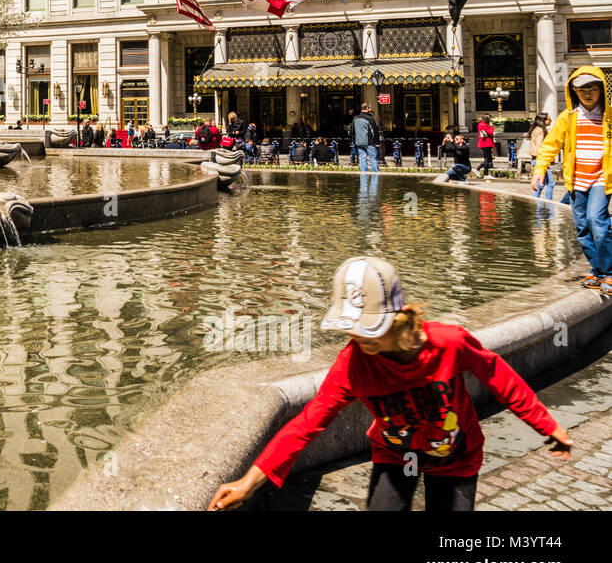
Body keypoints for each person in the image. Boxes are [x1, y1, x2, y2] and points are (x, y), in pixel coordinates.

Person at [208, 257, 572, 512]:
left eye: (366, 324)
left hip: (457, 458)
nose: (356, 335)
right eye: (349, 324)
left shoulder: (448, 342)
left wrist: (547, 425)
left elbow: (500, 377)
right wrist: (250, 481)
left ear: (398, 316)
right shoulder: (352, 365)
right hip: (396, 454)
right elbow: (307, 424)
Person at [532, 67, 611, 290]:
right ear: (574, 91)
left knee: (597, 221)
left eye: (592, 88)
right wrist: (539, 170)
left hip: (601, 179)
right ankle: (598, 271)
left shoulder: (609, 116)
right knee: (583, 228)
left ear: (601, 90)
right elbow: (549, 146)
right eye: (581, 89)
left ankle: (609, 271)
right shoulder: (568, 117)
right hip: (576, 181)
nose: (587, 93)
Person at [529, 113, 554, 200]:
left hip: (536, 159)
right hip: (540, 160)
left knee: (541, 183)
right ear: (543, 120)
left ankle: (536, 202)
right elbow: (539, 146)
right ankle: (548, 202)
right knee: (550, 183)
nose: (550, 121)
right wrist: (544, 158)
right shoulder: (540, 131)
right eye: (549, 119)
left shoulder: (536, 129)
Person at [351, 103, 380, 173]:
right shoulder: (370, 118)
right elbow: (375, 130)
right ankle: (375, 173)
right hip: (369, 142)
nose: (370, 109)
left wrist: (354, 140)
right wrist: (377, 141)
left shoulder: (356, 118)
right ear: (367, 108)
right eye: (369, 108)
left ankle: (363, 174)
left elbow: (352, 131)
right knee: (373, 158)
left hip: (359, 142)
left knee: (362, 158)